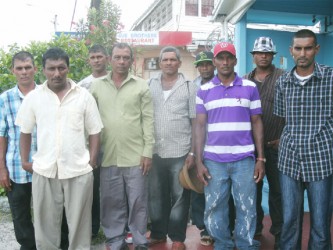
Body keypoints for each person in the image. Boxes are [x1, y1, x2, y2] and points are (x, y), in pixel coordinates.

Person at [15, 47, 103, 250]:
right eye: (51, 68)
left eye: (61, 68)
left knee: (80, 226)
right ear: (43, 70)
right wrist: (25, 161)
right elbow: (25, 131)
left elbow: (95, 131)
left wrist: (92, 160)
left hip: (79, 170)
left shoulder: (83, 96)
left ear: (68, 68)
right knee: (45, 226)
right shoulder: (34, 97)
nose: (57, 73)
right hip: (45, 170)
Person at [195, 42, 265, 249]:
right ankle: (223, 244)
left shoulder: (250, 87)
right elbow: (199, 126)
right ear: (214, 61)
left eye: (229, 58)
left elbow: (257, 122)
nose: (225, 62)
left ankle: (246, 244)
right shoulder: (204, 90)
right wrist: (198, 161)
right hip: (213, 160)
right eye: (220, 58)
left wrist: (261, 158)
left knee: (247, 206)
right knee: (215, 207)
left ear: (235, 60)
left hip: (244, 159)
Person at [91, 43, 154, 250]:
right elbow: (89, 121)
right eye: (117, 57)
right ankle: (115, 240)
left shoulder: (141, 85)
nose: (121, 61)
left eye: (125, 58)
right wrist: (91, 152)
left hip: (136, 156)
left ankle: (139, 239)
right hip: (107, 154)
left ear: (131, 60)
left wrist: (147, 152)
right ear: (110, 59)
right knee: (111, 201)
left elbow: (148, 120)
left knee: (138, 201)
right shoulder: (97, 86)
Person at [274, 29, 333, 250]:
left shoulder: (330, 78)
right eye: (298, 48)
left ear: (316, 49)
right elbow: (283, 120)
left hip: (321, 160)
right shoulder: (283, 83)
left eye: (308, 48)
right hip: (289, 161)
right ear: (291, 51)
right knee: (290, 220)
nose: (303, 53)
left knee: (320, 221)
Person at [148, 46, 197, 250]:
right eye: (165, 60)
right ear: (160, 63)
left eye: (172, 59)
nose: (169, 63)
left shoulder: (189, 86)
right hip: (155, 150)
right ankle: (158, 233)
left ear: (179, 62)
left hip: (180, 150)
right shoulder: (149, 85)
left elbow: (196, 122)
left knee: (179, 197)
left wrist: (193, 152)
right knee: (156, 195)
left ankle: (177, 237)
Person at [244, 37, 285, 248]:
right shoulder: (244, 81)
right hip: (251, 150)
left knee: (278, 193)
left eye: (267, 53)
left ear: (273, 56)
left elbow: (295, 110)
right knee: (253, 192)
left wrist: (285, 137)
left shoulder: (284, 78)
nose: (263, 56)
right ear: (253, 56)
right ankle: (256, 228)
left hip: (278, 147)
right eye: (259, 53)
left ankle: (279, 232)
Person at [0, 51, 38, 250]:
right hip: (15, 168)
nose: (24, 72)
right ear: (12, 71)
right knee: (20, 214)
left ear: (35, 69)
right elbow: (2, 135)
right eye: (19, 68)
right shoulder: (5, 99)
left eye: (27, 67)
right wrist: (2, 170)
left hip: (44, 167)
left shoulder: (46, 95)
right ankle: (28, 247)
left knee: (50, 213)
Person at [78, 44, 109, 238]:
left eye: (100, 56)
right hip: (91, 145)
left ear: (107, 58)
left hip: (113, 143)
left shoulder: (114, 80)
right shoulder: (83, 85)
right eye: (93, 57)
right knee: (91, 189)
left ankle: (115, 227)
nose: (96, 60)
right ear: (89, 60)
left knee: (112, 190)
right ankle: (91, 228)